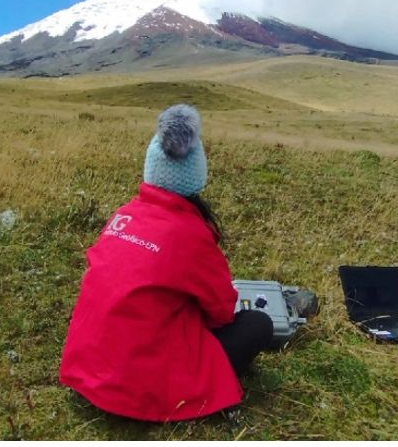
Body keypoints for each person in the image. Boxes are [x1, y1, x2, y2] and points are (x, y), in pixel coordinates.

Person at [59, 104, 273, 422]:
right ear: (197, 174)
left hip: (86, 368)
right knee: (258, 325)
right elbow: (221, 312)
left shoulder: (124, 214)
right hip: (140, 387)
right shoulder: (190, 233)